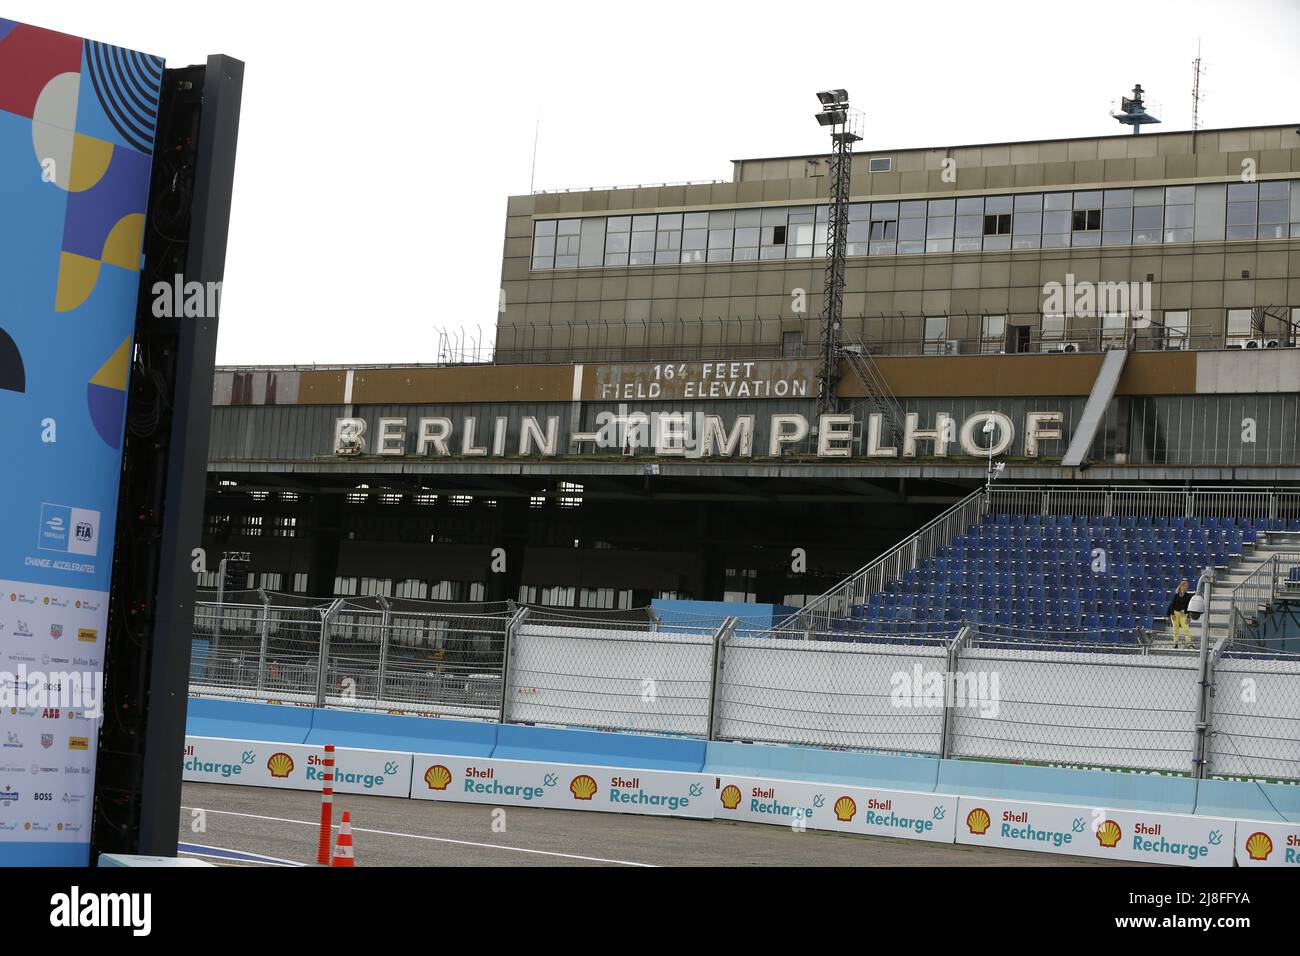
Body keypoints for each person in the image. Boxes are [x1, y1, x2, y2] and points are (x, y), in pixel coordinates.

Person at [1167, 579, 1193, 646]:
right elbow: (1172, 605)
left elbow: (1189, 607)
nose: (1186, 587)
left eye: (1187, 586)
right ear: (1181, 586)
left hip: (1184, 614)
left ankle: (1189, 643)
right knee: (1175, 629)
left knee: (1186, 628)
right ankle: (1175, 643)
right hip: (1175, 612)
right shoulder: (1176, 595)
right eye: (1185, 586)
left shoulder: (1188, 596)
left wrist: (1188, 617)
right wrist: (1172, 614)